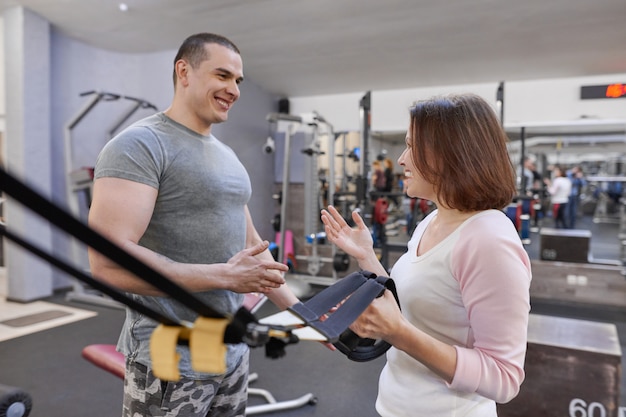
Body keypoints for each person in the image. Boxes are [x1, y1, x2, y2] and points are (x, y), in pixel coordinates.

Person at [87, 33, 300, 417]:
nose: (233, 89)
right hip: (169, 355)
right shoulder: (140, 145)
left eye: (238, 80)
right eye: (222, 75)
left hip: (229, 349)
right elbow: (107, 263)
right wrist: (224, 276)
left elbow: (253, 249)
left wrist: (306, 316)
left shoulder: (227, 155)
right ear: (183, 72)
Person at [321, 93, 531, 416]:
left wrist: (398, 333)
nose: (402, 159)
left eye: (412, 146)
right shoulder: (433, 219)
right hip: (396, 404)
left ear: (450, 154)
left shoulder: (489, 239)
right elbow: (414, 303)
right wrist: (366, 256)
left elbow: (503, 378)